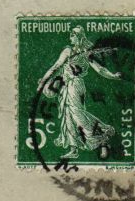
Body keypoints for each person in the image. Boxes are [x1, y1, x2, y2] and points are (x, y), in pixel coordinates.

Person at [36, 26, 121, 159]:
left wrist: (113, 76)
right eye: (71, 35)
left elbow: (99, 69)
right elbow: (56, 67)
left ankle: (101, 136)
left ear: (79, 37)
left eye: (73, 35)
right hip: (67, 86)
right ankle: (74, 149)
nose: (70, 37)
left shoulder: (84, 52)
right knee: (68, 115)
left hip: (75, 86)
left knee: (77, 114)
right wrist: (43, 81)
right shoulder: (70, 51)